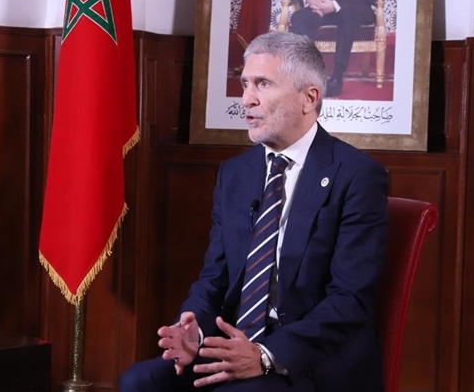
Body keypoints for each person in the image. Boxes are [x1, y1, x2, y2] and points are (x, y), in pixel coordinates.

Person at [119, 31, 389, 392]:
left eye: (263, 84)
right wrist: (193, 330)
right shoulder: (235, 173)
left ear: (309, 98)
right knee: (139, 382)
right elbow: (214, 277)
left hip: (309, 360)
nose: (247, 99)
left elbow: (349, 300)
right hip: (235, 341)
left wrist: (264, 354)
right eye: (245, 84)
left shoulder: (357, 175)